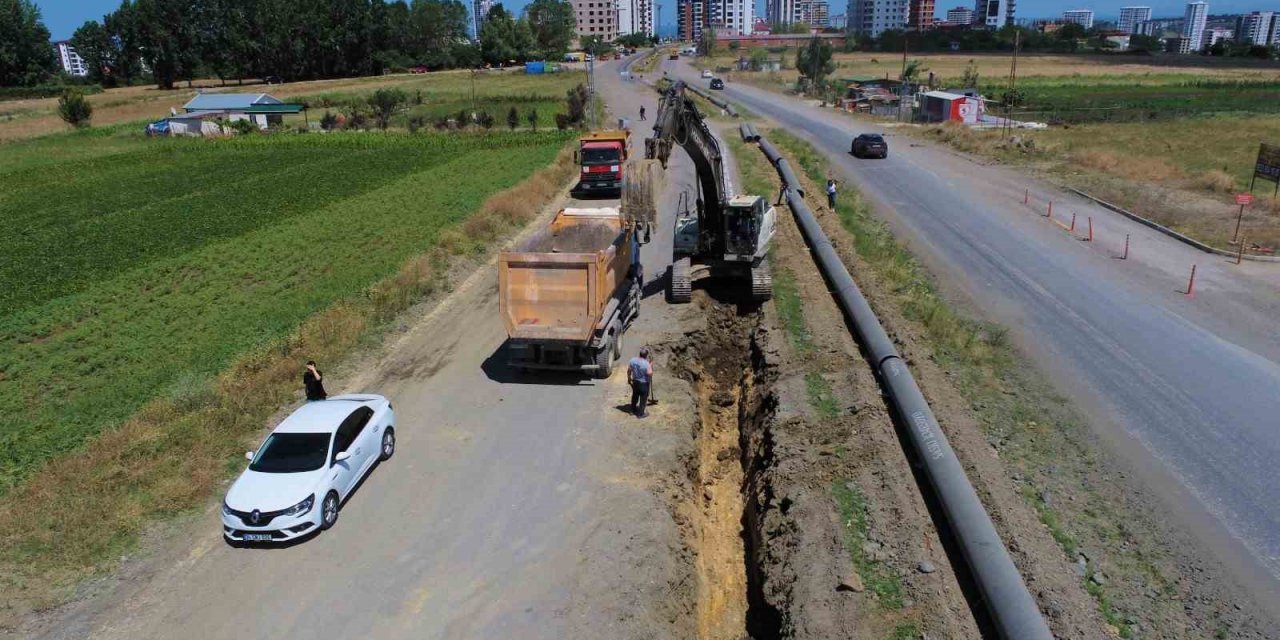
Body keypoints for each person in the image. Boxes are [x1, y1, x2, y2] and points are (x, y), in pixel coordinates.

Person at [627, 348, 653, 418]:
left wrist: (629, 378)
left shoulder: (633, 360)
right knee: (643, 399)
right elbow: (650, 374)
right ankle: (641, 414)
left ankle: (632, 410)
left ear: (640, 354)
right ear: (646, 356)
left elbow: (629, 370)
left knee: (635, 396)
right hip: (643, 384)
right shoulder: (646, 364)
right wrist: (650, 366)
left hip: (635, 382)